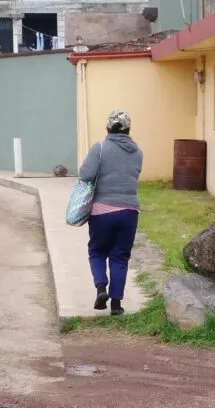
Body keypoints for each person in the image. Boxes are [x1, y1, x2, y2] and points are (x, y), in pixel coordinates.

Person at [78, 110, 143, 316]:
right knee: (120, 257)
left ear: (108, 128)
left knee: (97, 251)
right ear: (128, 129)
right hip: (129, 211)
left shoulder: (101, 148)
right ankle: (116, 305)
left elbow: (86, 175)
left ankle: (100, 289)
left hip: (102, 211)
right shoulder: (138, 152)